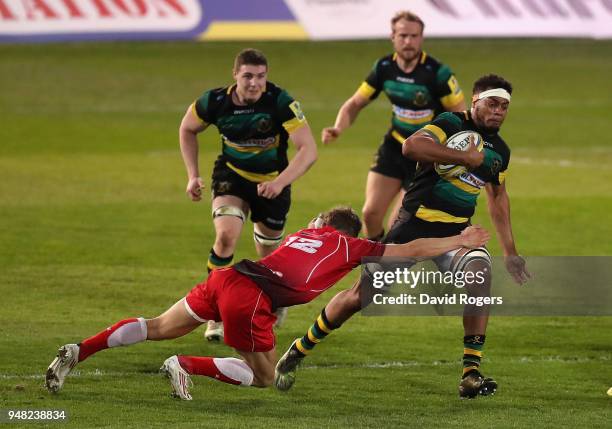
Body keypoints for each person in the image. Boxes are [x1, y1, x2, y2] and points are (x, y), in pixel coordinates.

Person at [45, 207, 490, 401]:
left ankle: (79, 349)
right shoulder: (350, 246)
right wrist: (460, 238)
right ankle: (185, 364)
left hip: (225, 278)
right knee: (264, 376)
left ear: (318, 222)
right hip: (251, 297)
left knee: (159, 323)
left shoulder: (304, 232)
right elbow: (411, 251)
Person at [276, 74, 530, 399]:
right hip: (411, 230)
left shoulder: (500, 152)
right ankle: (300, 348)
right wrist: (463, 158)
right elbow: (412, 146)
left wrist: (510, 251)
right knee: (359, 298)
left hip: (456, 234)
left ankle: (471, 372)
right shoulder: (450, 123)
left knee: (480, 277)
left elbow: (497, 197)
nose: (498, 111)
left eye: (505, 106)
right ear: (476, 101)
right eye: (492, 103)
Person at [179, 48, 318, 339]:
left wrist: (280, 182)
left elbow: (309, 149)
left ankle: (274, 301)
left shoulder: (280, 101)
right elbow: (187, 128)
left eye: (260, 77)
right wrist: (193, 175)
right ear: (235, 75)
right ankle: (214, 314)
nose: (254, 83)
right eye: (247, 76)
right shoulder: (214, 101)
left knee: (267, 255)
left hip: (272, 182)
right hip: (232, 176)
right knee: (226, 236)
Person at [321, 10, 465, 241]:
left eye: (414, 36)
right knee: (370, 214)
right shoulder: (384, 68)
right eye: (403, 36)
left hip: (425, 156)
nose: (408, 42)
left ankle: (380, 271)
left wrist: (450, 153)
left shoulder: (437, 73)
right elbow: (355, 103)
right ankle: (376, 261)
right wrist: (338, 128)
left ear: (422, 38)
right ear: (393, 37)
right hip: (394, 146)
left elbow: (460, 115)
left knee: (396, 227)